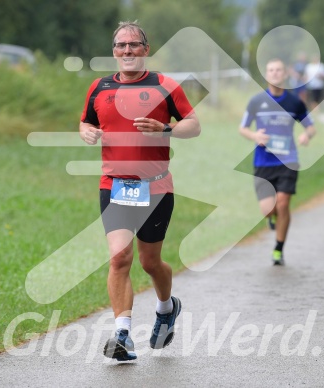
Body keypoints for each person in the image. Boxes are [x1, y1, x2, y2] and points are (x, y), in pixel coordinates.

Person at [79, 21, 201, 361]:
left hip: (156, 187)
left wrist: (166, 128)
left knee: (150, 262)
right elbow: (86, 119)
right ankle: (122, 335)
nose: (127, 51)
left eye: (134, 45)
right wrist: (85, 131)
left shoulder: (165, 86)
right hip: (114, 185)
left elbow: (193, 125)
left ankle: (166, 308)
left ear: (146, 50)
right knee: (120, 258)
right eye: (121, 45)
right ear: (114, 51)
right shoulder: (99, 86)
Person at [239, 58, 315, 266]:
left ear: (285, 74)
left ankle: (278, 249)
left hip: (288, 161)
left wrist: (306, 136)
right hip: (263, 162)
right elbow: (243, 128)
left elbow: (310, 126)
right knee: (268, 209)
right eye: (270, 70)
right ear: (266, 74)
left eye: (278, 70)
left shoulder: (295, 102)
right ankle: (270, 217)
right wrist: (255, 136)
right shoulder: (256, 101)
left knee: (283, 203)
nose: (274, 73)